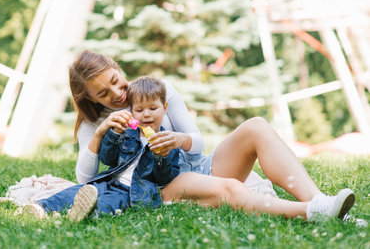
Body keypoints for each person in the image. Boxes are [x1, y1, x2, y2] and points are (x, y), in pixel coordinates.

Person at [65, 50, 356, 221]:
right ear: (90, 99)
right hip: (159, 184)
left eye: (116, 81)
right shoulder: (94, 123)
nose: (117, 94)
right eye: (103, 93)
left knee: (256, 126)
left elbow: (196, 143)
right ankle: (309, 211)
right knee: (229, 187)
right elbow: (83, 179)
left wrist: (179, 140)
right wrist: (100, 132)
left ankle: (327, 205)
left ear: (117, 68)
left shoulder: (154, 91)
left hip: (196, 166)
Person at [22, 76, 180, 221]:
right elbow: (107, 158)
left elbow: (164, 179)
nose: (146, 115)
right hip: (109, 180)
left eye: (153, 109)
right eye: (139, 110)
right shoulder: (127, 133)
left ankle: (85, 214)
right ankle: (40, 207)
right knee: (77, 191)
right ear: (131, 112)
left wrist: (162, 156)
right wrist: (115, 134)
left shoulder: (168, 142)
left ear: (164, 108)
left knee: (108, 202)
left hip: (131, 191)